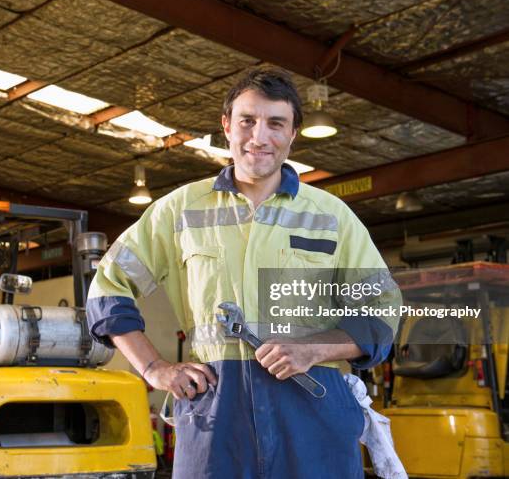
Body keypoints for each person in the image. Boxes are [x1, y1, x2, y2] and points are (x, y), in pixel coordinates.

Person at [86, 68, 401, 478]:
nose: (259, 137)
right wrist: (155, 369)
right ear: (226, 126)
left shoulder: (331, 216)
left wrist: (314, 350)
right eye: (247, 121)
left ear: (293, 133)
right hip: (216, 415)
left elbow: (381, 310)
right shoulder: (180, 210)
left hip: (312, 412)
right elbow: (107, 289)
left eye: (275, 123)